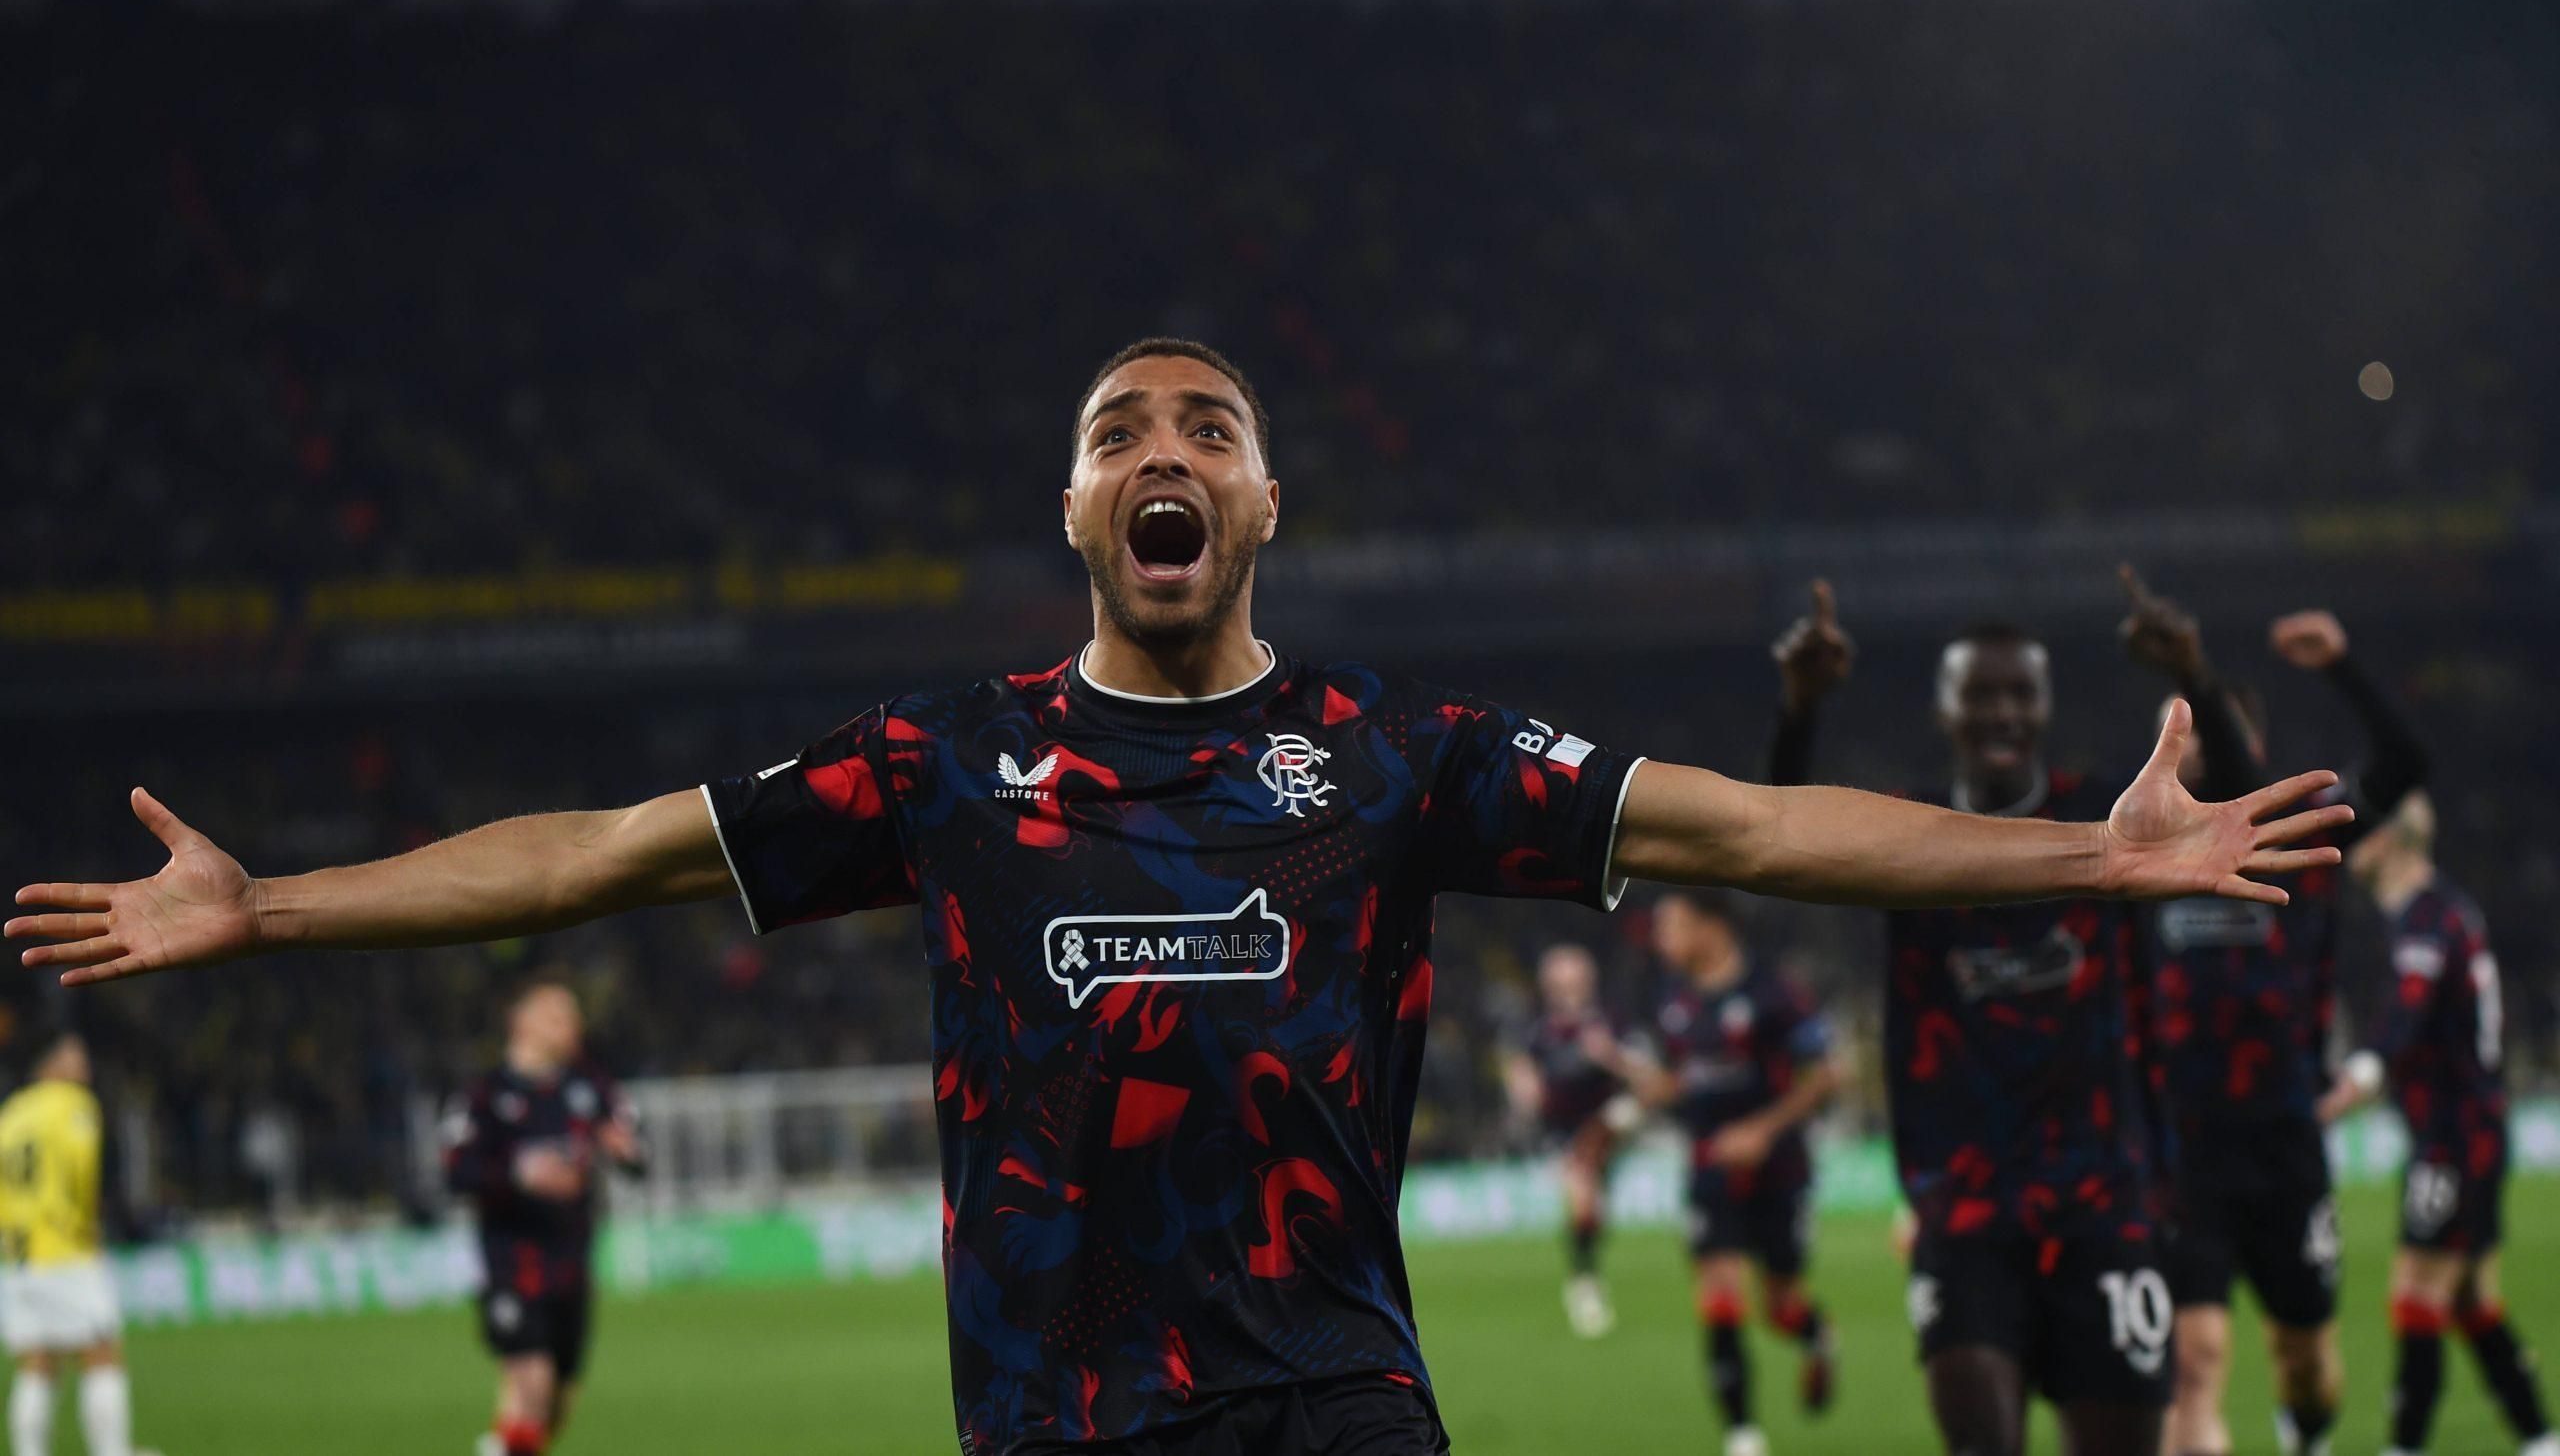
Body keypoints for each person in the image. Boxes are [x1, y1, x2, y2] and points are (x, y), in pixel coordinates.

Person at [12, 340, 2348, 1456]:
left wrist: (2095, 845)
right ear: (1072, 511)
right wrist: (280, 904)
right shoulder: (941, 764)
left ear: (1258, 508)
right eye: (1121, 428)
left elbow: (1748, 827)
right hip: (1050, 1416)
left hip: (1333, 1395)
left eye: (1206, 428)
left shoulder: (1390, 755)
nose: (1162, 449)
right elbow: (594, 853)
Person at [1767, 578, 2253, 1456]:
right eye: (1980, 692)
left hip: (2105, 1199)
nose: (2002, 711)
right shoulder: (1908, 835)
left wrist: (2197, 675)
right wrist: (1800, 712)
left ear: (2046, 705)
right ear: (1944, 707)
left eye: (2020, 691)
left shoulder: (2109, 819)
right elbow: (1780, 846)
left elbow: (2244, 804)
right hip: (1965, 1209)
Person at [2138, 599, 2431, 1456]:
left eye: (2190, 730)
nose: (2174, 751)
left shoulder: (2303, 831)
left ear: (2243, 744)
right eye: (2165, 733)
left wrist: (2343, 667)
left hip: (2283, 1141)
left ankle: (2306, 1434)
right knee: (2192, 1359)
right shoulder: (2139, 852)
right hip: (2182, 1147)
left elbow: (2407, 761)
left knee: (2304, 1359)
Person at [2318, 792, 2557, 1456]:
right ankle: (2540, 1437)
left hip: (2454, 1135)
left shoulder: (2425, 918)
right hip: (2472, 1126)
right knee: (2471, 1299)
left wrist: (2360, 1075)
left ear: (2388, 843)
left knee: (2416, 1294)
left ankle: (2404, 1446)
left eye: (2361, 836)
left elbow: (2406, 1013)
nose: (2352, 851)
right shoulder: (2448, 907)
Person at [1604, 888, 1843, 1456]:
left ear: (1709, 928)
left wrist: (1762, 1130)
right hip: (1710, 1170)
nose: (1661, 940)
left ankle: (1819, 1337)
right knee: (1720, 1295)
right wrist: (1632, 1103)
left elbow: (1825, 1076)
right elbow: (1681, 1081)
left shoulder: (1773, 993)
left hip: (1779, 1169)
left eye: (1671, 926)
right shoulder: (1673, 1002)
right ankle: (1742, 1435)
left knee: (1780, 1307)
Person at [444, 981, 644, 1456]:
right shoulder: (485, 1097)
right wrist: (518, 1176)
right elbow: (457, 1170)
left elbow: (636, 1145)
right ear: (523, 1023)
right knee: (531, 1380)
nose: (571, 1026)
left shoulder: (589, 1086)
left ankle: (501, 1449)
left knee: (557, 1401)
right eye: (557, 1015)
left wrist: (628, 1153)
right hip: (513, 1263)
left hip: (572, 1264)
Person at [0, 1035, 150, 1456]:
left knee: (37, 1362)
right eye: (74, 1056)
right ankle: (113, 1450)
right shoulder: (74, 1104)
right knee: (102, 1352)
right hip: (66, 1250)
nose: (83, 1065)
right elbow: (81, 1175)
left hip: (19, 1255)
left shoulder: (11, 1113)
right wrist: (92, 1227)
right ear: (52, 1064)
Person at [1499, 944, 1638, 1339]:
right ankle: (1585, 1283)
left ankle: (1585, 1273)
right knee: (1583, 1200)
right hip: (1564, 1131)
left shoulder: (1612, 1021)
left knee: (1593, 1206)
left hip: (1610, 1122)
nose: (1569, 991)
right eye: (1561, 984)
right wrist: (1524, 1088)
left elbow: (1645, 1074)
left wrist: (1610, 1056)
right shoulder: (1536, 1030)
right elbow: (1521, 1074)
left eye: (1575, 982)